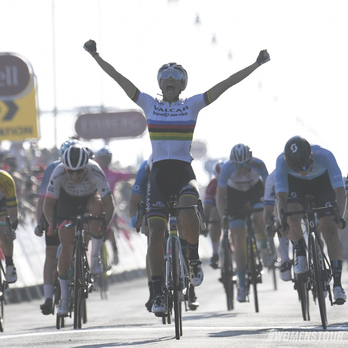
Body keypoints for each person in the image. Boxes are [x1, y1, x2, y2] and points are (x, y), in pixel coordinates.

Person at [83, 39, 270, 315]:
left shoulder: (192, 105)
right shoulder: (148, 103)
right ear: (160, 84)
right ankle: (157, 292)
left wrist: (255, 65)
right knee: (156, 233)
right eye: (166, 78)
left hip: (183, 171)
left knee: (188, 208)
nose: (170, 80)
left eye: (176, 78)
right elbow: (119, 78)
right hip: (158, 174)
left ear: (182, 85)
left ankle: (192, 258)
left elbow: (227, 83)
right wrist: (96, 56)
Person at [44, 145, 115, 315]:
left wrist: (104, 225)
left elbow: (109, 204)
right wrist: (52, 224)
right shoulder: (59, 172)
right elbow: (48, 205)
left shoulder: (95, 170)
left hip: (89, 199)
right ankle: (65, 299)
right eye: (71, 171)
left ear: (86, 167)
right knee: (66, 246)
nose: (75, 175)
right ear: (65, 168)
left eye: (79, 171)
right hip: (66, 203)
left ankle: (95, 257)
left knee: (98, 209)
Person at [275, 136, 347, 305]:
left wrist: (340, 217)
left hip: (322, 184)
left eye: (306, 166)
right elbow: (281, 198)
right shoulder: (281, 162)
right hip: (296, 186)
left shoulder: (325, 156)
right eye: (297, 168)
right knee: (291, 218)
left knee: (329, 230)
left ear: (312, 157)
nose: (302, 170)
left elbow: (339, 192)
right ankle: (300, 253)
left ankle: (337, 284)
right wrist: (283, 222)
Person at [216, 144, 269, 302]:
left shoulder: (259, 165)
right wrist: (223, 216)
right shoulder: (227, 169)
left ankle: (265, 247)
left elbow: (268, 188)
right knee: (238, 237)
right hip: (235, 195)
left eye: (245, 164)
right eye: (237, 165)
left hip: (255, 190)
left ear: (250, 160)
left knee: (260, 217)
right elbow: (220, 197)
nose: (241, 169)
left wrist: (269, 209)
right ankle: (241, 283)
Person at [35, 139, 79, 315]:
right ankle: (47, 298)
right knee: (51, 253)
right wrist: (41, 222)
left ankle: (79, 271)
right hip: (54, 210)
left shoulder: (87, 168)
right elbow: (42, 200)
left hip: (74, 208)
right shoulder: (53, 168)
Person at [95, 145, 136, 265]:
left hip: (109, 205)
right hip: (95, 204)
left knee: (110, 227)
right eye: (102, 158)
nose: (105, 161)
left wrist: (142, 173)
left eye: (107, 158)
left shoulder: (114, 173)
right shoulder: (94, 172)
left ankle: (115, 251)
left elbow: (128, 175)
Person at [263, 169, 291, 281]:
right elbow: (268, 209)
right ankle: (285, 260)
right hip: (282, 201)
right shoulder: (272, 178)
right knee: (280, 213)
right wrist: (269, 224)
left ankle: (316, 256)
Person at [204, 160, 224, 269]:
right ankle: (215, 253)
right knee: (214, 217)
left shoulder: (233, 181)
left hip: (232, 207)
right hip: (218, 209)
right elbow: (207, 207)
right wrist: (206, 222)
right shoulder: (212, 185)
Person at [0, 170, 19, 283]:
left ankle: (9, 263)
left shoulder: (5, 179)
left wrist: (11, 229)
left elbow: (13, 213)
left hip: (2, 203)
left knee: (4, 230)